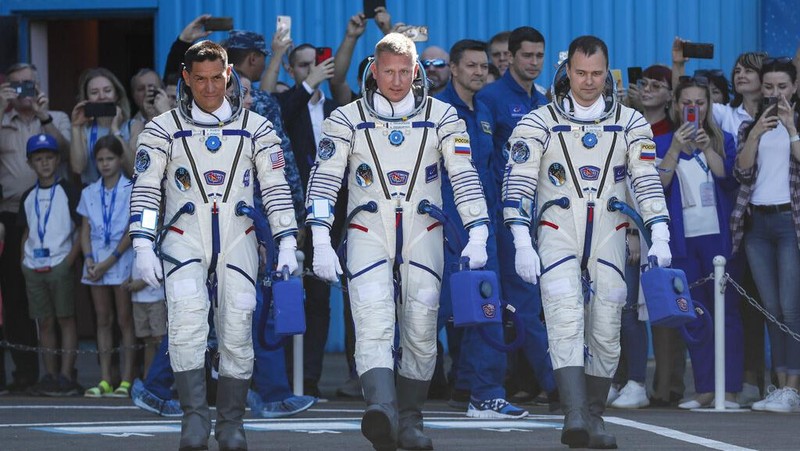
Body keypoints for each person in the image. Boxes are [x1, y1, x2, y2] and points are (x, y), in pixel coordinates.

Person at [306, 32, 490, 450]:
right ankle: (383, 410)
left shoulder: (444, 117)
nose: (396, 80)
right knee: (372, 321)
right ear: (374, 71)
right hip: (367, 231)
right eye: (388, 71)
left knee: (422, 332)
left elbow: (464, 176)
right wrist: (318, 238)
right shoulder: (346, 119)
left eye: (404, 72)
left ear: (416, 72)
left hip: (424, 233)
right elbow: (324, 183)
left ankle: (410, 418)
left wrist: (478, 230)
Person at [502, 36, 671, 448]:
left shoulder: (631, 122)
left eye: (597, 73)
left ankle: (594, 416)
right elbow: (518, 183)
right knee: (563, 315)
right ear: (567, 71)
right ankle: (574, 414)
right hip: (557, 230)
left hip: (611, 232)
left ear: (607, 72)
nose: (589, 81)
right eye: (581, 73)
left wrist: (659, 231)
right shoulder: (538, 122)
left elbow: (645, 180)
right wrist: (522, 240)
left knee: (608, 322)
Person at [129, 40, 298, 450]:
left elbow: (275, 188)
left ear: (229, 76)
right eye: (199, 80)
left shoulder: (256, 127)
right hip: (183, 237)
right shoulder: (161, 129)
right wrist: (141, 244)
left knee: (237, 327)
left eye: (216, 79)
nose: (209, 89)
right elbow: (147, 188)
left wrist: (287, 240)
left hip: (238, 237)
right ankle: (194, 419)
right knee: (186, 325)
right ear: (185, 79)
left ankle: (231, 423)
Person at [434, 38, 527, 419]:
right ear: (453, 68)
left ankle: (480, 392)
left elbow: (492, 169)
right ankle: (393, 391)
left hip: (484, 224)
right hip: (443, 225)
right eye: (469, 65)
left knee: (485, 305)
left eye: (482, 66)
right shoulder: (437, 111)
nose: (477, 72)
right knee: (430, 311)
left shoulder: (485, 109)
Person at [475, 26, 557, 406]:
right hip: (504, 219)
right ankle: (558, 385)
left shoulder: (543, 102)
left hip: (542, 217)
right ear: (509, 56)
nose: (534, 62)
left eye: (540, 56)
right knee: (518, 304)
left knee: (537, 303)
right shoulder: (490, 97)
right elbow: (484, 162)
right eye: (527, 55)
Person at [654, 76, 742, 409]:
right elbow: (658, 184)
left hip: (719, 240)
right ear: (676, 105)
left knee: (727, 314)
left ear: (709, 106)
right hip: (683, 241)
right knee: (695, 314)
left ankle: (729, 388)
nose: (694, 109)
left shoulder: (724, 140)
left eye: (700, 103)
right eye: (687, 103)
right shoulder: (662, 142)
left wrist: (707, 146)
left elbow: (727, 177)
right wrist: (676, 148)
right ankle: (705, 388)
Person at [731, 57, 800, 414]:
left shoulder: (796, 124)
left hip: (790, 222)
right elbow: (741, 172)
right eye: (769, 87)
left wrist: (790, 129)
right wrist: (756, 132)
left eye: (782, 87)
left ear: (795, 87)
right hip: (757, 224)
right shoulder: (749, 126)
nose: (775, 94)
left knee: (791, 308)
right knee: (771, 309)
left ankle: (793, 387)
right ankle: (778, 385)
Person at [0, 62, 71, 393]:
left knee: (59, 303)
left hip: (55, 215)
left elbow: (68, 153)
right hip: (11, 215)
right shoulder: (3, 119)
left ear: (39, 84)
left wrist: (43, 116)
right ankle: (27, 373)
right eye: (16, 85)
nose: (23, 90)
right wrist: (1, 109)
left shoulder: (55, 118)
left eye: (28, 84)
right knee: (15, 298)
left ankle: (62, 373)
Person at [276, 42, 340, 398]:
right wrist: (305, 86)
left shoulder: (334, 110)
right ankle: (282, 378)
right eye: (303, 66)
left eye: (315, 67)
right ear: (291, 69)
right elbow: (278, 117)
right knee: (283, 297)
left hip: (328, 220)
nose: (310, 71)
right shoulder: (289, 106)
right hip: (288, 218)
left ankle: (310, 379)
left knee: (319, 301)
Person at [18, 134, 82, 396]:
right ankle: (50, 374)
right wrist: (23, 260)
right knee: (44, 321)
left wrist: (69, 260)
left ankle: (67, 375)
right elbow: (26, 230)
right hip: (34, 265)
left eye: (49, 158)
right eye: (38, 159)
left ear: (58, 160)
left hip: (60, 262)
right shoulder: (28, 196)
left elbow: (81, 229)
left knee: (66, 318)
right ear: (30, 163)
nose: (44, 163)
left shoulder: (68, 191)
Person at [78, 135, 135, 398]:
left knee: (124, 320)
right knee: (103, 320)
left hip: (120, 260)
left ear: (120, 159)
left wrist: (108, 261)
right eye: (100, 159)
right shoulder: (89, 191)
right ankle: (104, 378)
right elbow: (85, 230)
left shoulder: (131, 188)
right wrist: (89, 259)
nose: (104, 164)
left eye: (109, 158)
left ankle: (126, 379)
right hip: (95, 263)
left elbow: (131, 230)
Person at [69, 67, 131, 184]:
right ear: (87, 98)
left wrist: (115, 130)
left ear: (117, 95)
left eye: (107, 90)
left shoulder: (133, 126)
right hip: (93, 197)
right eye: (94, 92)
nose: (102, 96)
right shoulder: (84, 129)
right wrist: (75, 127)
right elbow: (78, 168)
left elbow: (135, 169)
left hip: (126, 196)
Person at [329, 8, 393, 106]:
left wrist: (388, 31)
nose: (377, 81)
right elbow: (337, 81)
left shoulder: (405, 103)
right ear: (360, 82)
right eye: (372, 77)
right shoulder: (352, 105)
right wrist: (350, 37)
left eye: (383, 74)